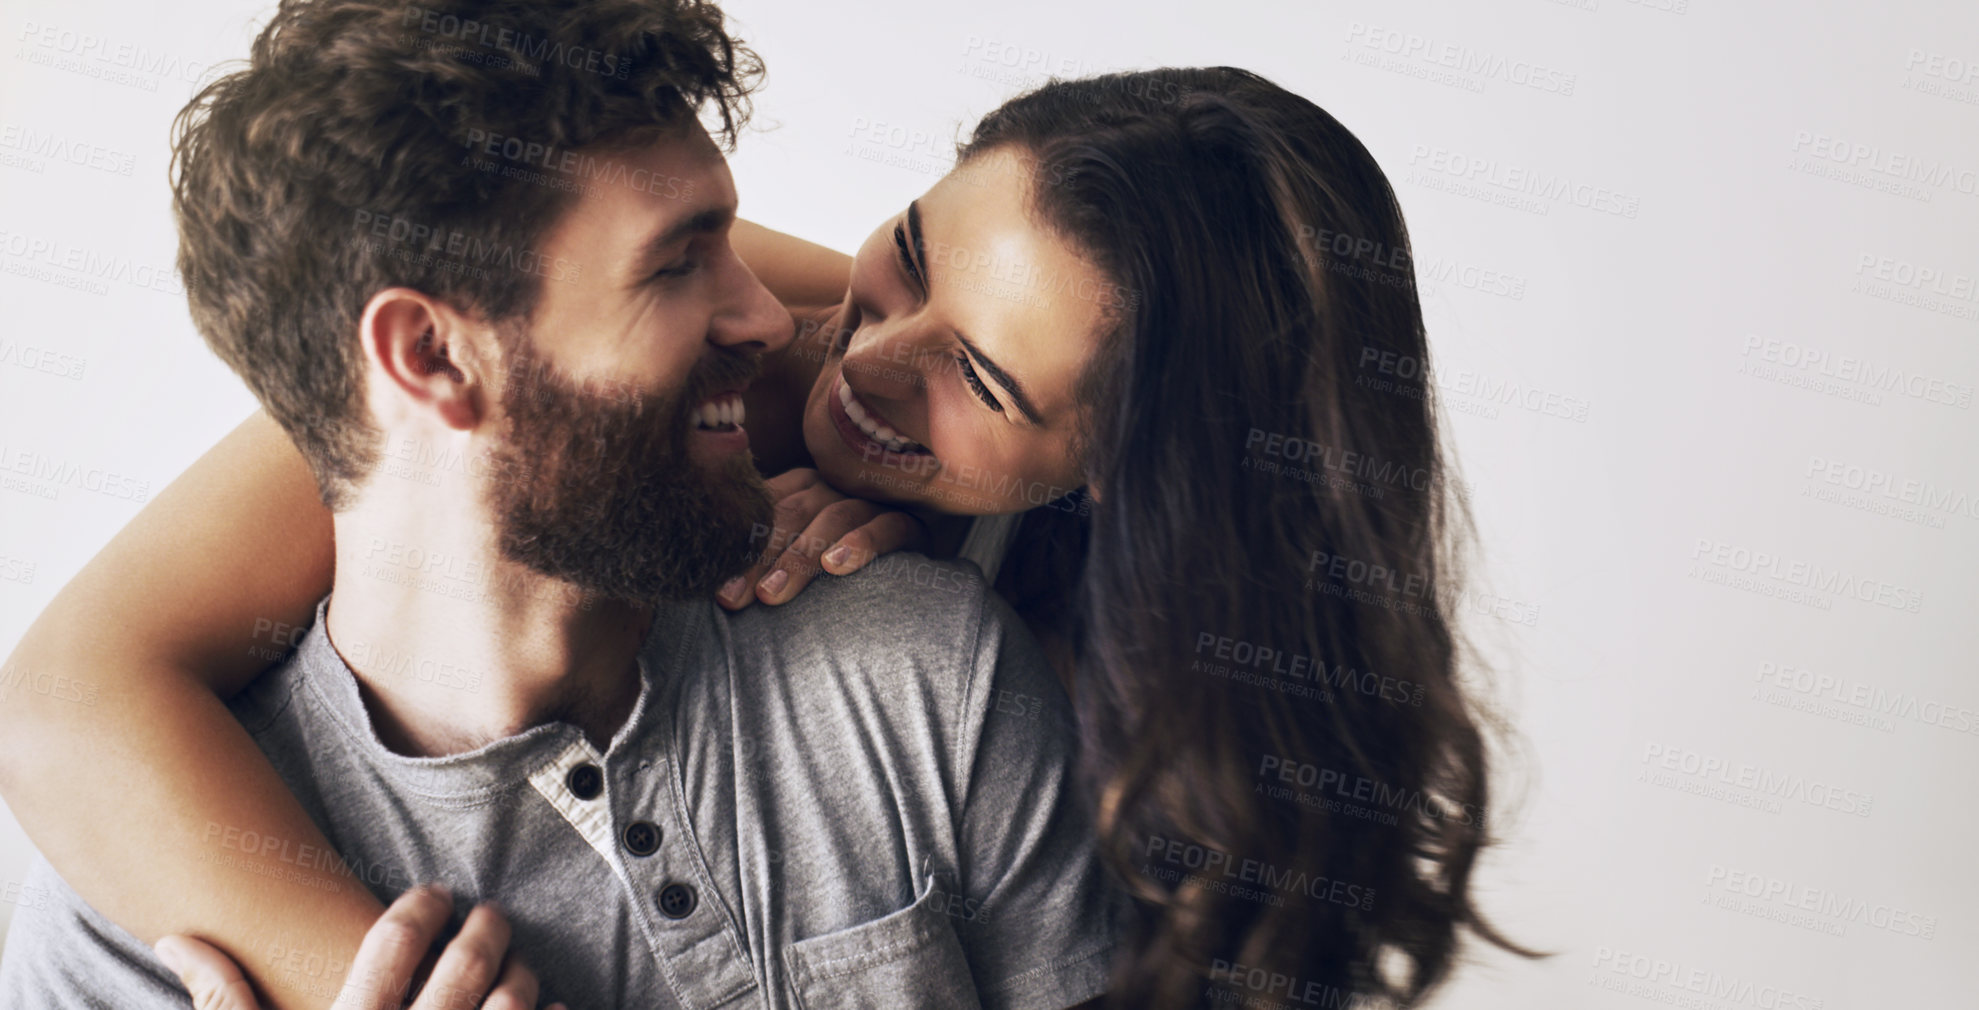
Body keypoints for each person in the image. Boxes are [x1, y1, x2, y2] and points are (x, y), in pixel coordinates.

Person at [0, 24, 1528, 1010]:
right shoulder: (155, 882)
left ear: (1117, 481)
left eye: (981, 386)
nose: (829, 349)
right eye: (907, 255)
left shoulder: (955, 670)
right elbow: (69, 696)